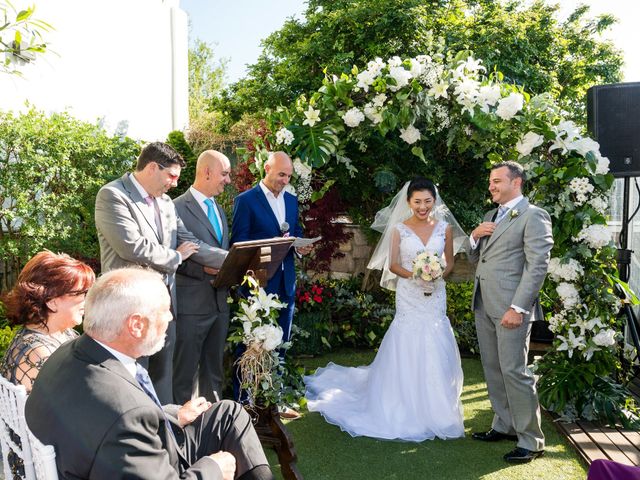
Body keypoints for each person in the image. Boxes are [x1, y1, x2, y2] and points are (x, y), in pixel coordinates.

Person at [25, 267, 274, 480]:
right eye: (164, 310)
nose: (170, 317)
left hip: (116, 458)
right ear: (136, 324)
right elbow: (124, 420)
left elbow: (110, 419)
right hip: (151, 464)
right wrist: (213, 469)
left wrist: (172, 414)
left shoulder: (68, 352)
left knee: (228, 413)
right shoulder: (127, 416)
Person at [304, 178, 466, 441]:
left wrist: (437, 273)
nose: (422, 206)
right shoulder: (399, 230)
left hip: (435, 294)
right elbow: (393, 265)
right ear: (408, 202)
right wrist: (417, 275)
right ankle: (402, 401)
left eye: (427, 201)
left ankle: (438, 407)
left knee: (435, 339)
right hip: (409, 294)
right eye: (417, 202)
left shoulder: (445, 229)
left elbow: (449, 261)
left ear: (434, 201)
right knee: (409, 338)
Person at [94, 141, 227, 404]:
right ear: (153, 168)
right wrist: (177, 256)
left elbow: (191, 241)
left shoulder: (166, 203)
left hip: (165, 309)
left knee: (163, 380)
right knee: (132, 382)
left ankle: (167, 436)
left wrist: (236, 259)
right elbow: (132, 247)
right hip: (128, 309)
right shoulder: (112, 195)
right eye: (172, 176)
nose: (175, 184)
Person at [468, 161, 553, 464]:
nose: (491, 186)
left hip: (511, 310)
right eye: (490, 181)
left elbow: (537, 266)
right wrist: (474, 236)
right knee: (493, 368)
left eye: (496, 181)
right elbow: (478, 258)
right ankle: (503, 424)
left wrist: (518, 307)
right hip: (484, 303)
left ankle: (531, 440)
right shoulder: (491, 215)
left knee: (515, 371)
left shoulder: (533, 216)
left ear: (516, 183)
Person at [231, 151, 311, 415]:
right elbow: (239, 243)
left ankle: (273, 401)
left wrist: (301, 248)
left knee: (281, 341)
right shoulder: (246, 200)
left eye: (288, 175)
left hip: (286, 280)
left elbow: (294, 232)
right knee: (250, 343)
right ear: (266, 168)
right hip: (258, 284)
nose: (285, 180)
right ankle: (243, 404)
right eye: (281, 174)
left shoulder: (291, 200)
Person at [173, 150, 232, 404]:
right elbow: (169, 258)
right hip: (191, 307)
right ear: (207, 172)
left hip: (220, 304)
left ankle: (213, 426)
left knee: (214, 373)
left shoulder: (219, 208)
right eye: (224, 174)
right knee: (183, 376)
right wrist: (201, 270)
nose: (228, 180)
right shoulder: (175, 208)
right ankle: (179, 430)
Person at [0, 250, 95, 392]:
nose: (86, 300)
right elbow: (82, 398)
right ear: (51, 301)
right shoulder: (39, 352)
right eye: (80, 293)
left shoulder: (60, 333)